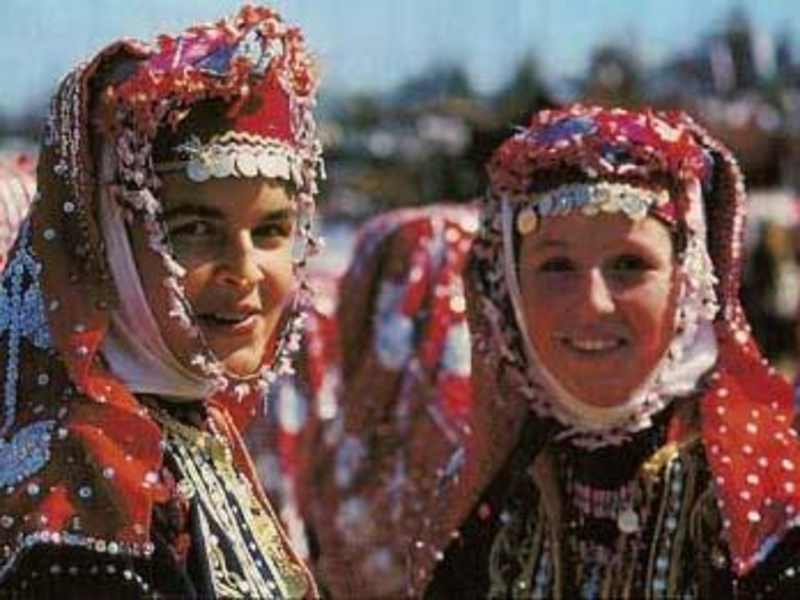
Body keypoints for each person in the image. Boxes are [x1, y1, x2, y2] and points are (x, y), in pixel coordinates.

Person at [309, 105, 800, 598]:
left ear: (688, 278)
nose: (592, 303)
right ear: (510, 289)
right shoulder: (486, 495)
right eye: (557, 267)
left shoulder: (765, 507)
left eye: (629, 265)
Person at [0, 5, 324, 597]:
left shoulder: (186, 421)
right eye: (194, 229)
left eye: (272, 231)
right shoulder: (81, 488)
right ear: (108, 248)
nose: (245, 270)